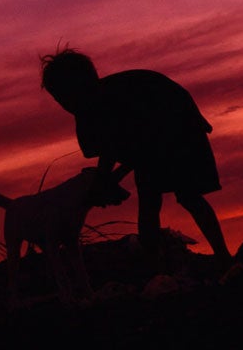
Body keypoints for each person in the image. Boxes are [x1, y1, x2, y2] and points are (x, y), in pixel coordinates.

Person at [39, 47, 232, 265]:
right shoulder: (91, 108)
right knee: (151, 198)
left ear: (79, 88)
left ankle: (220, 256)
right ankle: (155, 261)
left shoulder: (109, 100)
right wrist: (108, 179)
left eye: (64, 97)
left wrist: (106, 179)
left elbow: (120, 147)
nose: (64, 104)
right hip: (157, 133)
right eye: (59, 99)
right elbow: (128, 150)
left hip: (177, 125)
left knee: (186, 195)